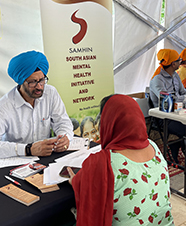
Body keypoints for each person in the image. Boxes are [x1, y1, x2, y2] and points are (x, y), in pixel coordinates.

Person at [68, 94, 174, 226]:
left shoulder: (104, 162)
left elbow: (90, 198)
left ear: (107, 122)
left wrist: (75, 182)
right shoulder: (153, 146)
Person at [0, 51, 73, 158]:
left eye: (42, 80)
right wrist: (28, 149)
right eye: (33, 82)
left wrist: (64, 137)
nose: (39, 87)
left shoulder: (50, 93)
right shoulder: (4, 106)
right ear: (21, 82)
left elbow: (62, 122)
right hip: (17, 161)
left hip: (46, 158)